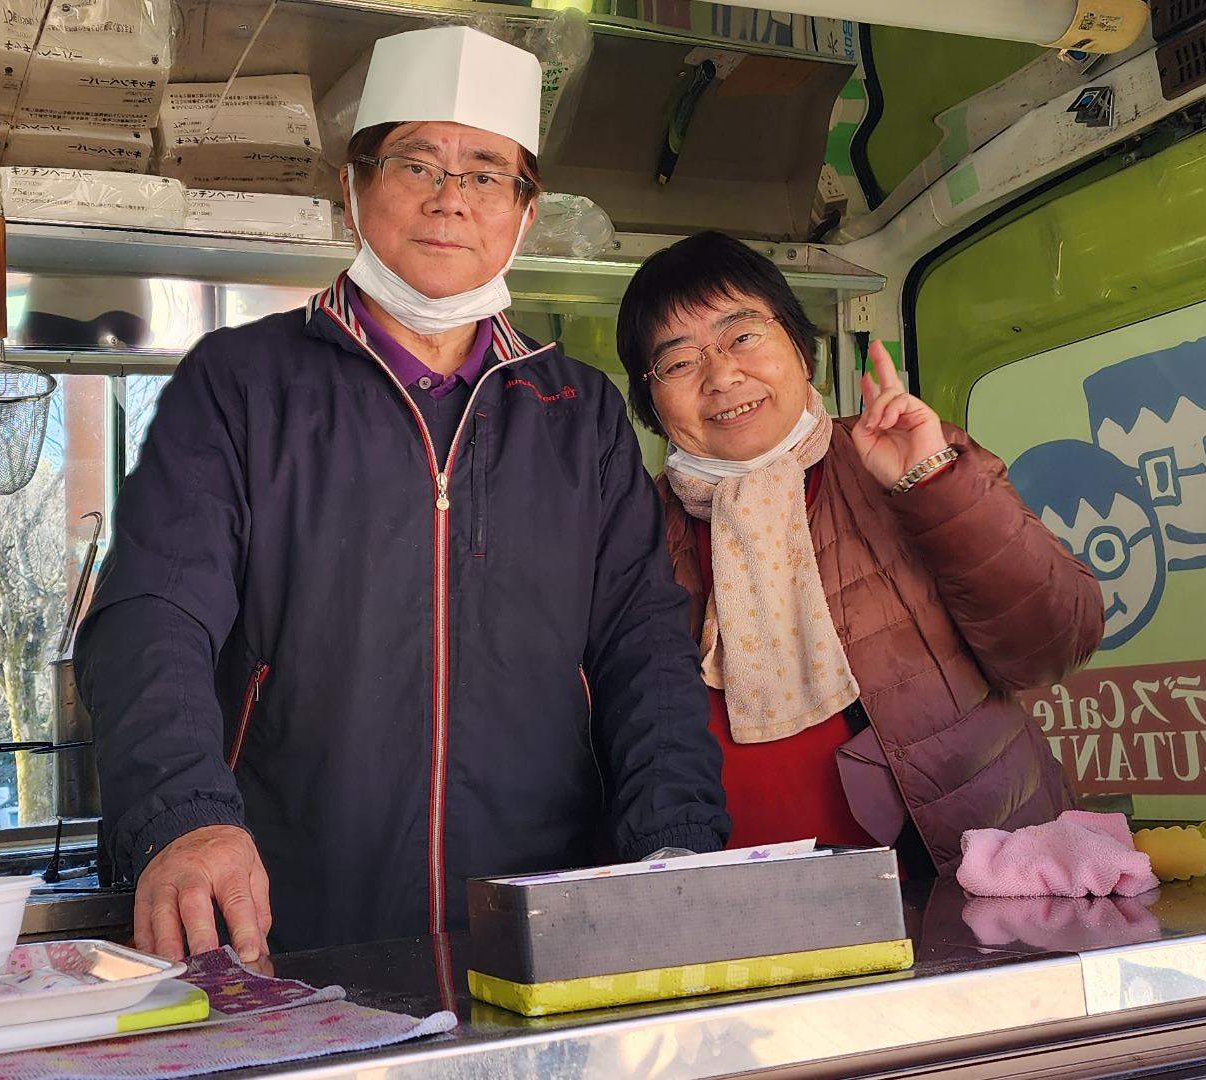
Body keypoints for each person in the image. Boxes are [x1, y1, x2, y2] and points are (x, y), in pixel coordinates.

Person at [76, 27, 729, 962]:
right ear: (354, 188)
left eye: (487, 173)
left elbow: (643, 651)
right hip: (285, 922)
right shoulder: (243, 383)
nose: (449, 199)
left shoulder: (577, 412)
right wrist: (182, 816)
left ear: (525, 211)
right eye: (415, 160)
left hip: (541, 922)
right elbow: (153, 612)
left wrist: (678, 845)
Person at [614, 231, 1101, 876]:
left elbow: (1054, 644)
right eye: (678, 362)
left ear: (797, 344)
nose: (722, 375)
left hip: (952, 884)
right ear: (650, 402)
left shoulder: (901, 458)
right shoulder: (632, 526)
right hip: (727, 912)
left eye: (744, 335)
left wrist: (935, 487)